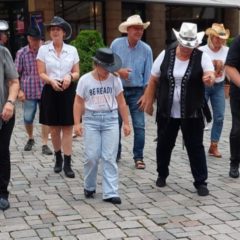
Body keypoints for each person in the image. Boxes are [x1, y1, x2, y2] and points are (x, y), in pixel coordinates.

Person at [140, 22, 215, 196]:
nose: (187, 48)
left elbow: (209, 73)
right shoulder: (166, 55)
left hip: (192, 110)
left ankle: (201, 181)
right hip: (167, 110)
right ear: (179, 41)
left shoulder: (202, 57)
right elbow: (153, 79)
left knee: (195, 146)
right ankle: (162, 174)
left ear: (196, 43)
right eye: (185, 44)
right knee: (164, 144)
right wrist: (149, 100)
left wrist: (209, 78)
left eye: (191, 45)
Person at [73, 48, 131, 204]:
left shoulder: (115, 80)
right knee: (91, 156)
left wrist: (126, 122)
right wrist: (77, 123)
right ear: (96, 64)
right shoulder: (85, 80)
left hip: (111, 119)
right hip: (91, 119)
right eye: (104, 67)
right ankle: (89, 186)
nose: (107, 71)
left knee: (109, 157)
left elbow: (121, 102)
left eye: (109, 68)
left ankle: (111, 191)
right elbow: (78, 101)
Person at [36, 16, 80, 178]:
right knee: (54, 129)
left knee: (68, 128)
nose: (55, 31)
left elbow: (77, 72)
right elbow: (40, 72)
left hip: (68, 90)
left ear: (63, 32)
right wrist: (51, 81)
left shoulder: (72, 50)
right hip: (50, 89)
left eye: (58, 29)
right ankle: (58, 158)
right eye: (52, 29)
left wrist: (69, 76)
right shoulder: (43, 50)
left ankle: (68, 163)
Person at [110, 15, 153, 169]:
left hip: (137, 91)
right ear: (128, 30)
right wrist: (119, 71)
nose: (139, 31)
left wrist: (146, 95)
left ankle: (139, 157)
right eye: (135, 28)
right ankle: (115, 154)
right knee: (115, 124)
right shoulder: (116, 44)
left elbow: (149, 77)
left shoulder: (146, 49)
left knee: (139, 125)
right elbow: (108, 66)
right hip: (117, 90)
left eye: (141, 28)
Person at [15, 26, 53, 155]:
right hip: (29, 90)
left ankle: (44, 143)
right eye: (33, 39)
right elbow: (16, 74)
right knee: (27, 117)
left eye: (38, 39)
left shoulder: (47, 51)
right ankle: (30, 138)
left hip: (45, 89)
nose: (36, 42)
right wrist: (19, 90)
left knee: (46, 118)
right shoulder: (21, 53)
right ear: (28, 39)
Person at [199, 23, 230, 158]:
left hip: (219, 85)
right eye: (216, 37)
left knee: (220, 116)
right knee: (199, 115)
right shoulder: (201, 50)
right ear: (210, 37)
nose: (219, 40)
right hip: (203, 86)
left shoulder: (227, 51)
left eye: (221, 38)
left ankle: (214, 145)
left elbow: (230, 69)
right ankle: (197, 143)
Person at [0, 41, 19, 210]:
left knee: (2, 152)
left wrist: (10, 102)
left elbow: (14, 81)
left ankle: (2, 193)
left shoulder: (3, 52)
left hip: (3, 113)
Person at [225, 33, 240, 178]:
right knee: (237, 129)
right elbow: (229, 67)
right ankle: (234, 162)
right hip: (239, 94)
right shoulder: (238, 41)